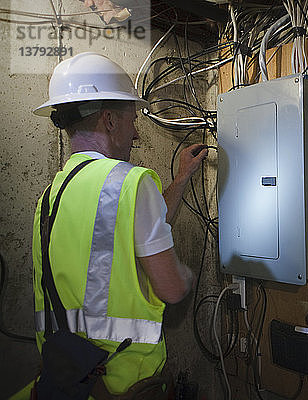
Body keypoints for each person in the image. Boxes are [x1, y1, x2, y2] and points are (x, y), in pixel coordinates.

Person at [9, 52, 207, 399]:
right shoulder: (131, 181)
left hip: (65, 381)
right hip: (124, 382)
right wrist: (187, 275)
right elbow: (172, 289)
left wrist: (182, 178)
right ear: (110, 120)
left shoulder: (50, 198)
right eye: (133, 119)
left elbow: (142, 226)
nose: (135, 133)